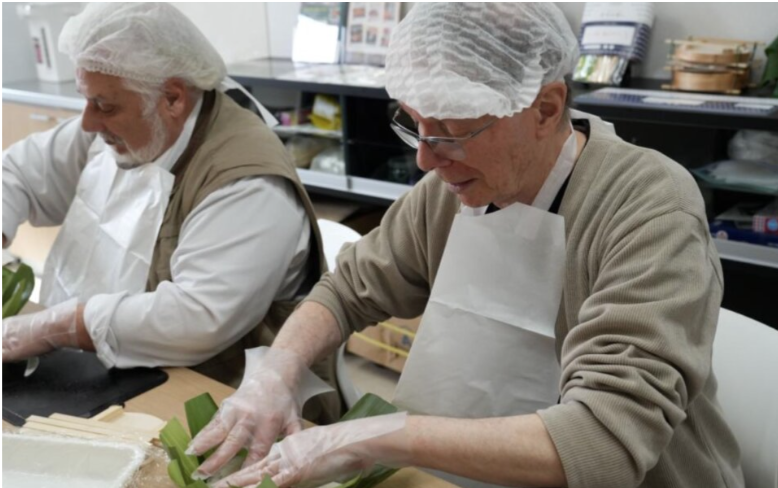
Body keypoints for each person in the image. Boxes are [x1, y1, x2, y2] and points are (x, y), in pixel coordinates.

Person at [187, 3, 743, 488]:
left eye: (451, 132)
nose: (426, 159)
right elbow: (346, 290)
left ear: (547, 109)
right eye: (414, 125)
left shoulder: (647, 206)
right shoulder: (448, 192)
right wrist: (276, 372)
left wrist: (370, 437)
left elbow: (605, 442)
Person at [1, 3, 342, 424]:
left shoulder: (246, 182)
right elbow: (15, 172)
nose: (87, 122)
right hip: (108, 375)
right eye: (86, 101)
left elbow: (195, 319)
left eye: (104, 106)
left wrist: (54, 326)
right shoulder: (125, 119)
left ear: (173, 98)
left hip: (223, 399)